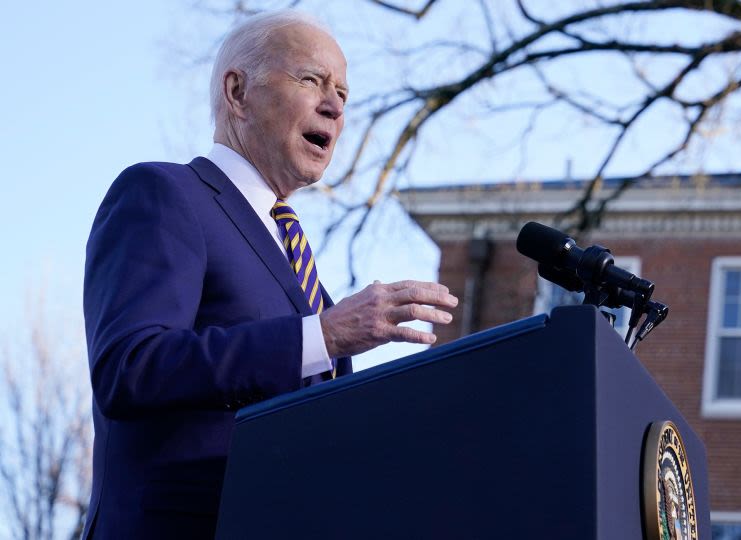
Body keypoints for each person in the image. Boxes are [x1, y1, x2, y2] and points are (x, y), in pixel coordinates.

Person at [81, 10, 458, 539]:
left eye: (344, 95)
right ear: (237, 92)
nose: (334, 105)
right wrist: (324, 335)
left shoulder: (304, 274)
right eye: (311, 81)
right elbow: (131, 367)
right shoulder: (165, 195)